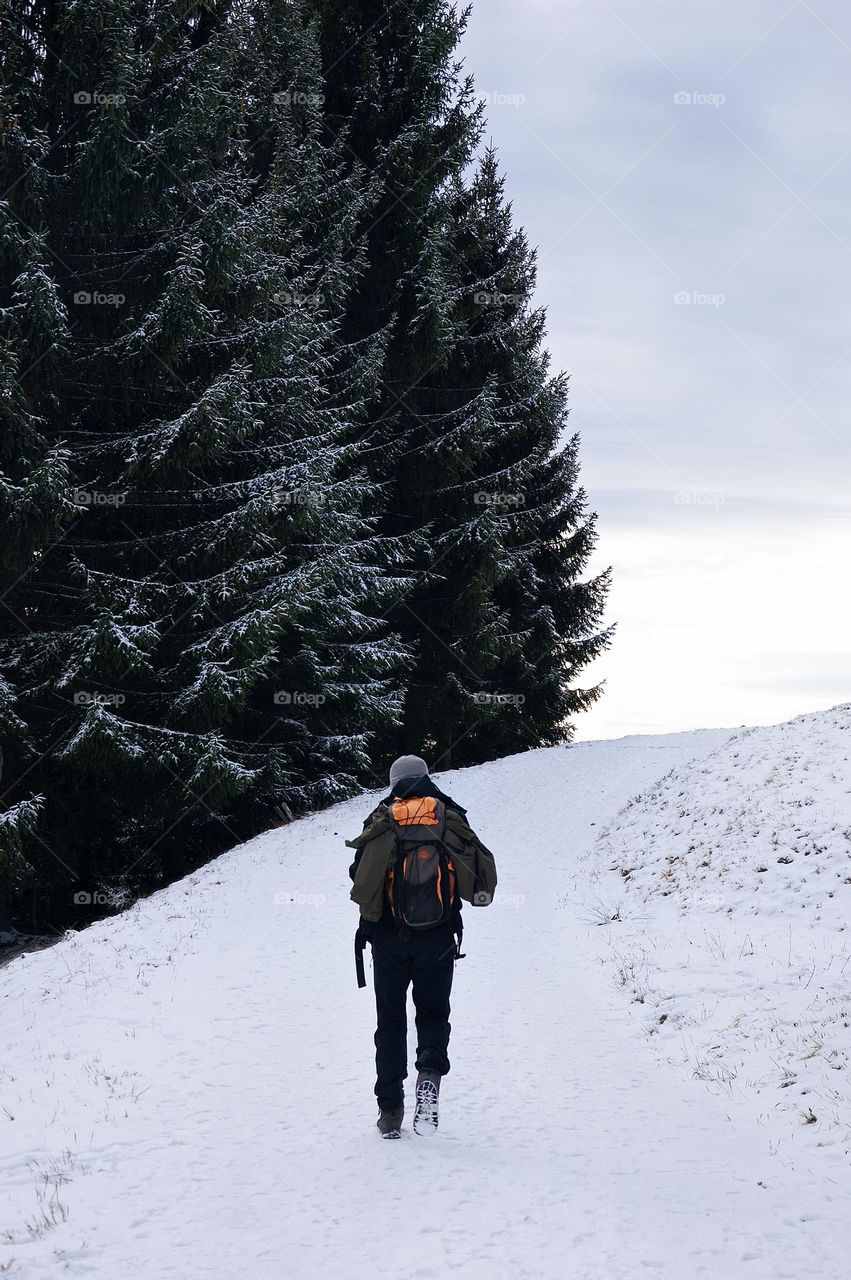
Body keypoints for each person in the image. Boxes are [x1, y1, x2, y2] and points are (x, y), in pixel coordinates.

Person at [347, 754, 497, 1138]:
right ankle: (429, 1071)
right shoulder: (448, 816)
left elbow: (361, 883)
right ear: (426, 778)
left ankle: (390, 1110)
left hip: (389, 941)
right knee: (433, 1014)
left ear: (394, 781)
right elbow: (479, 883)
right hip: (439, 939)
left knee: (391, 1021)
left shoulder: (384, 818)